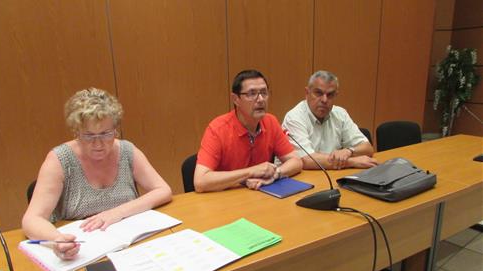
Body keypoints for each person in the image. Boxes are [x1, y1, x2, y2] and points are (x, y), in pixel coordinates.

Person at [22, 88, 172, 260]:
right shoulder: (59, 160)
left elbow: (163, 190)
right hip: (82, 251)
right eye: (88, 136)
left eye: (106, 134)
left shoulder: (127, 151)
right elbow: (31, 219)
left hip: (129, 246)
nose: (98, 144)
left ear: (115, 129)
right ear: (76, 132)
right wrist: (57, 239)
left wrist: (116, 213)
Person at [194, 70, 302, 192]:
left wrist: (275, 174)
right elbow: (200, 181)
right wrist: (250, 172)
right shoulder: (218, 129)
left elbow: (296, 161)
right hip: (225, 198)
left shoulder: (270, 121)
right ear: (236, 99)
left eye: (264, 92)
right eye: (252, 94)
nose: (260, 99)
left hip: (259, 195)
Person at [282, 70, 377, 170]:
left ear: (336, 95)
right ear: (307, 93)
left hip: (330, 174)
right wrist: (351, 162)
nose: (324, 100)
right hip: (299, 179)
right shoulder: (294, 118)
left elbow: (367, 148)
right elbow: (306, 160)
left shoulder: (340, 114)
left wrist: (349, 151)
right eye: (318, 93)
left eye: (330, 95)